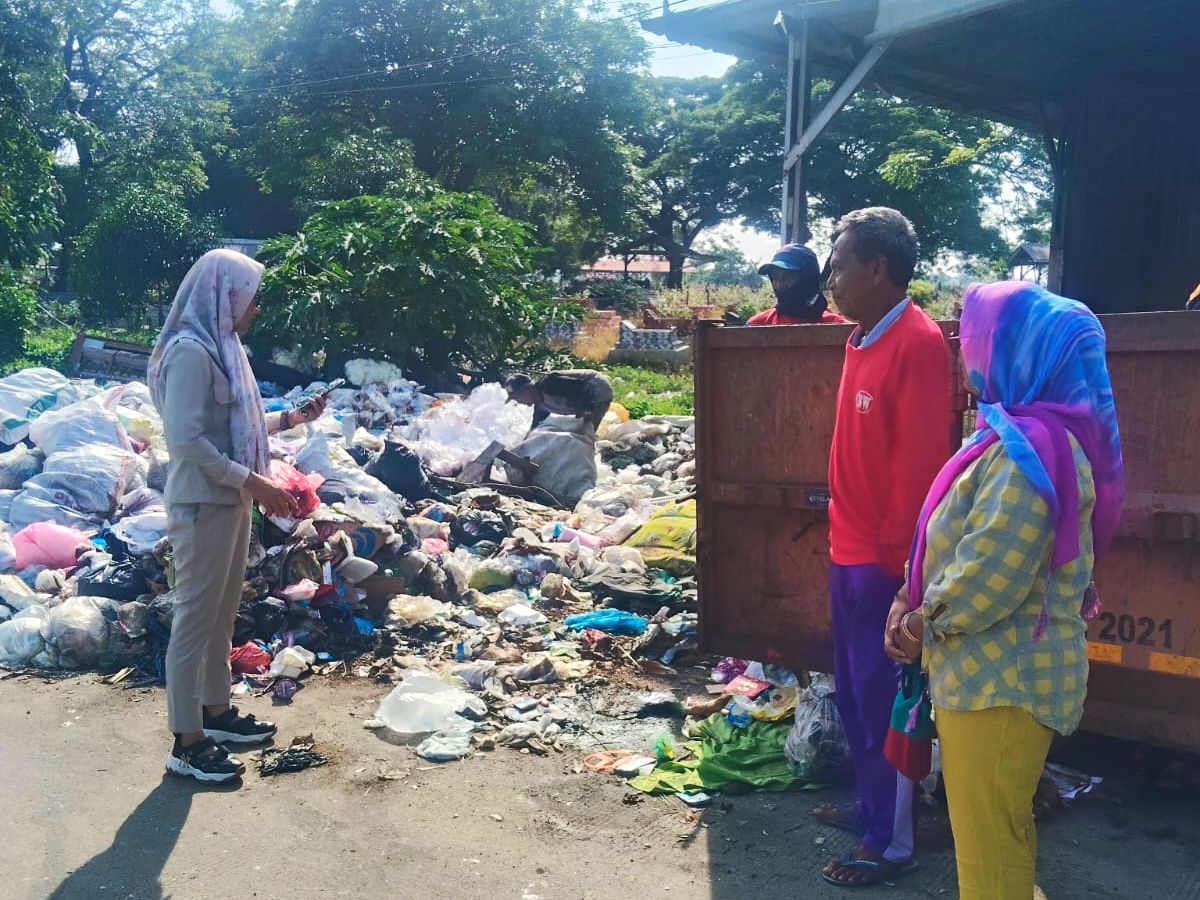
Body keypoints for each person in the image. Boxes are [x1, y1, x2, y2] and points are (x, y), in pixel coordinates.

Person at [886, 281, 1123, 900]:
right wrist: (909, 595)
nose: (965, 348)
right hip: (988, 677)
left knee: (989, 846)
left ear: (1017, 351)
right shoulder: (1012, 435)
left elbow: (989, 573)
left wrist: (918, 624)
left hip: (1002, 682)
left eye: (977, 337)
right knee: (996, 836)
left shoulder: (1029, 450)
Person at [148, 248, 328, 784]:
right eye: (252, 298)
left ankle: (216, 712)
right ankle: (186, 741)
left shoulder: (225, 348)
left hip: (229, 502)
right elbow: (187, 440)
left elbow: (235, 424)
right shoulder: (190, 353)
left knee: (222, 615)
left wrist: (291, 418)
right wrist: (253, 481)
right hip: (202, 504)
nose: (256, 309)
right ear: (224, 296)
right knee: (194, 621)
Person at [819, 207, 954, 887]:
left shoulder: (917, 342)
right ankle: (872, 806)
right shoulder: (863, 338)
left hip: (881, 563)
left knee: (885, 701)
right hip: (846, 549)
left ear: (878, 268)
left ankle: (893, 842)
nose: (830, 279)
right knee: (852, 693)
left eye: (840, 266)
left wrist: (906, 576)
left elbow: (921, 473)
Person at [749, 243, 847, 325]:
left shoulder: (838, 326)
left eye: (788, 276)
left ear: (807, 280)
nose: (779, 284)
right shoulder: (757, 324)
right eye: (775, 277)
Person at [504, 369, 613, 432]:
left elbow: (584, 387)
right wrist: (525, 443)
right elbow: (535, 427)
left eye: (517, 397)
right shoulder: (540, 406)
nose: (518, 401)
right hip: (588, 395)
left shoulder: (549, 384)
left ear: (527, 389)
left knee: (584, 434)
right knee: (579, 432)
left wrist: (587, 411)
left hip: (597, 387)